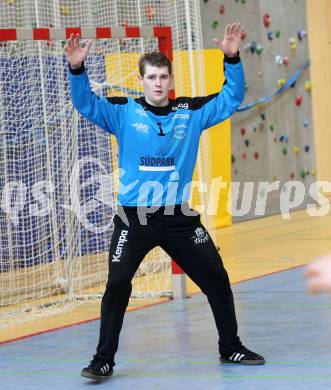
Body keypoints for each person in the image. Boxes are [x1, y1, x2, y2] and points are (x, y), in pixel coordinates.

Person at [65, 22, 265, 381]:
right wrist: (77, 69)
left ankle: (230, 346)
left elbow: (230, 99)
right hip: (134, 219)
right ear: (141, 81)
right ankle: (103, 359)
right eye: (151, 77)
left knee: (217, 279)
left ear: (171, 81)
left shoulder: (190, 112)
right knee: (117, 285)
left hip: (179, 219)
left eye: (163, 77)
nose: (158, 83)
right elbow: (84, 103)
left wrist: (231, 58)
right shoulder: (123, 111)